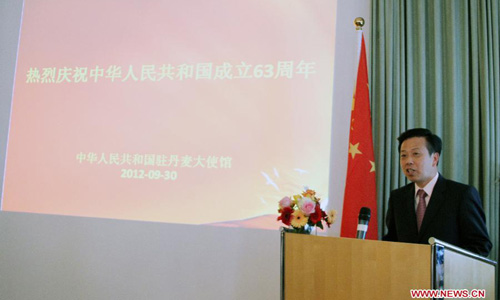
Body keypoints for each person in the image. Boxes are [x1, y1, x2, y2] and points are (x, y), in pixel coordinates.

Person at [382, 128, 492, 257]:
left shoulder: (461, 195)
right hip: (407, 274)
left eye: (416, 154)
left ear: (434, 158)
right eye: (403, 155)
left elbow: (480, 245)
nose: (408, 161)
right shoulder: (398, 197)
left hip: (449, 275)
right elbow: (392, 241)